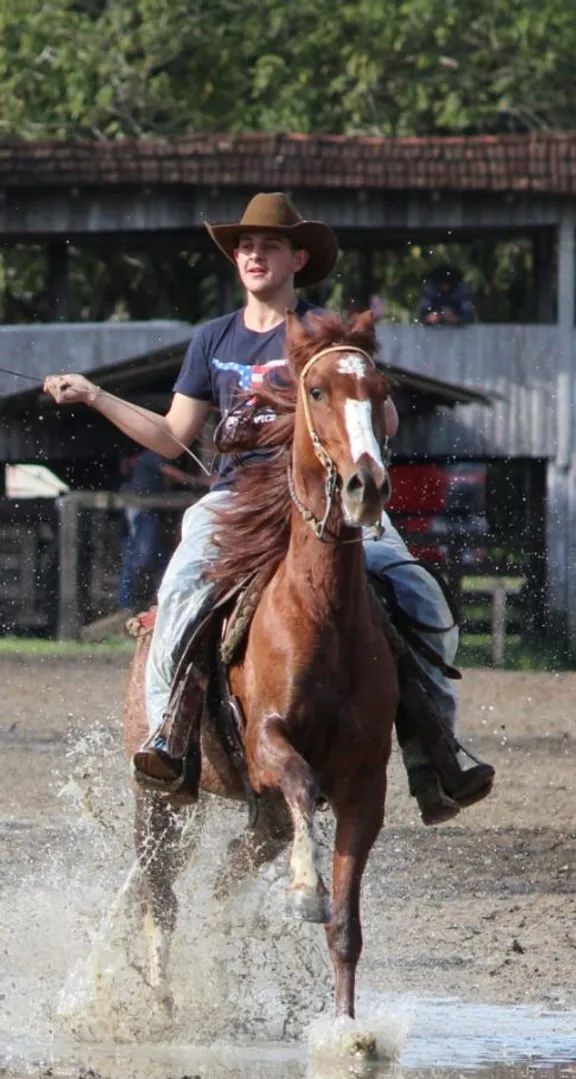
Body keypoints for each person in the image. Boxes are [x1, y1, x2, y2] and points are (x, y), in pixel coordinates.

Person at [44, 192, 493, 825]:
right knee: (179, 589)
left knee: (418, 593)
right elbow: (175, 433)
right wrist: (95, 396)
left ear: (297, 257)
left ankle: (438, 752)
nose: (254, 255)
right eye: (245, 246)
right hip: (236, 501)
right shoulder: (213, 339)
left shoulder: (325, 333)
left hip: (329, 502)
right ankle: (168, 733)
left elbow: (381, 418)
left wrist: (362, 385)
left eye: (269, 245)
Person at [117, 448, 198, 610]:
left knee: (142, 556)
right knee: (142, 558)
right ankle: (131, 603)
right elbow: (174, 474)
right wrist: (201, 481)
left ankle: (133, 601)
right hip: (144, 510)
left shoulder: (145, 457)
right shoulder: (152, 455)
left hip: (146, 510)